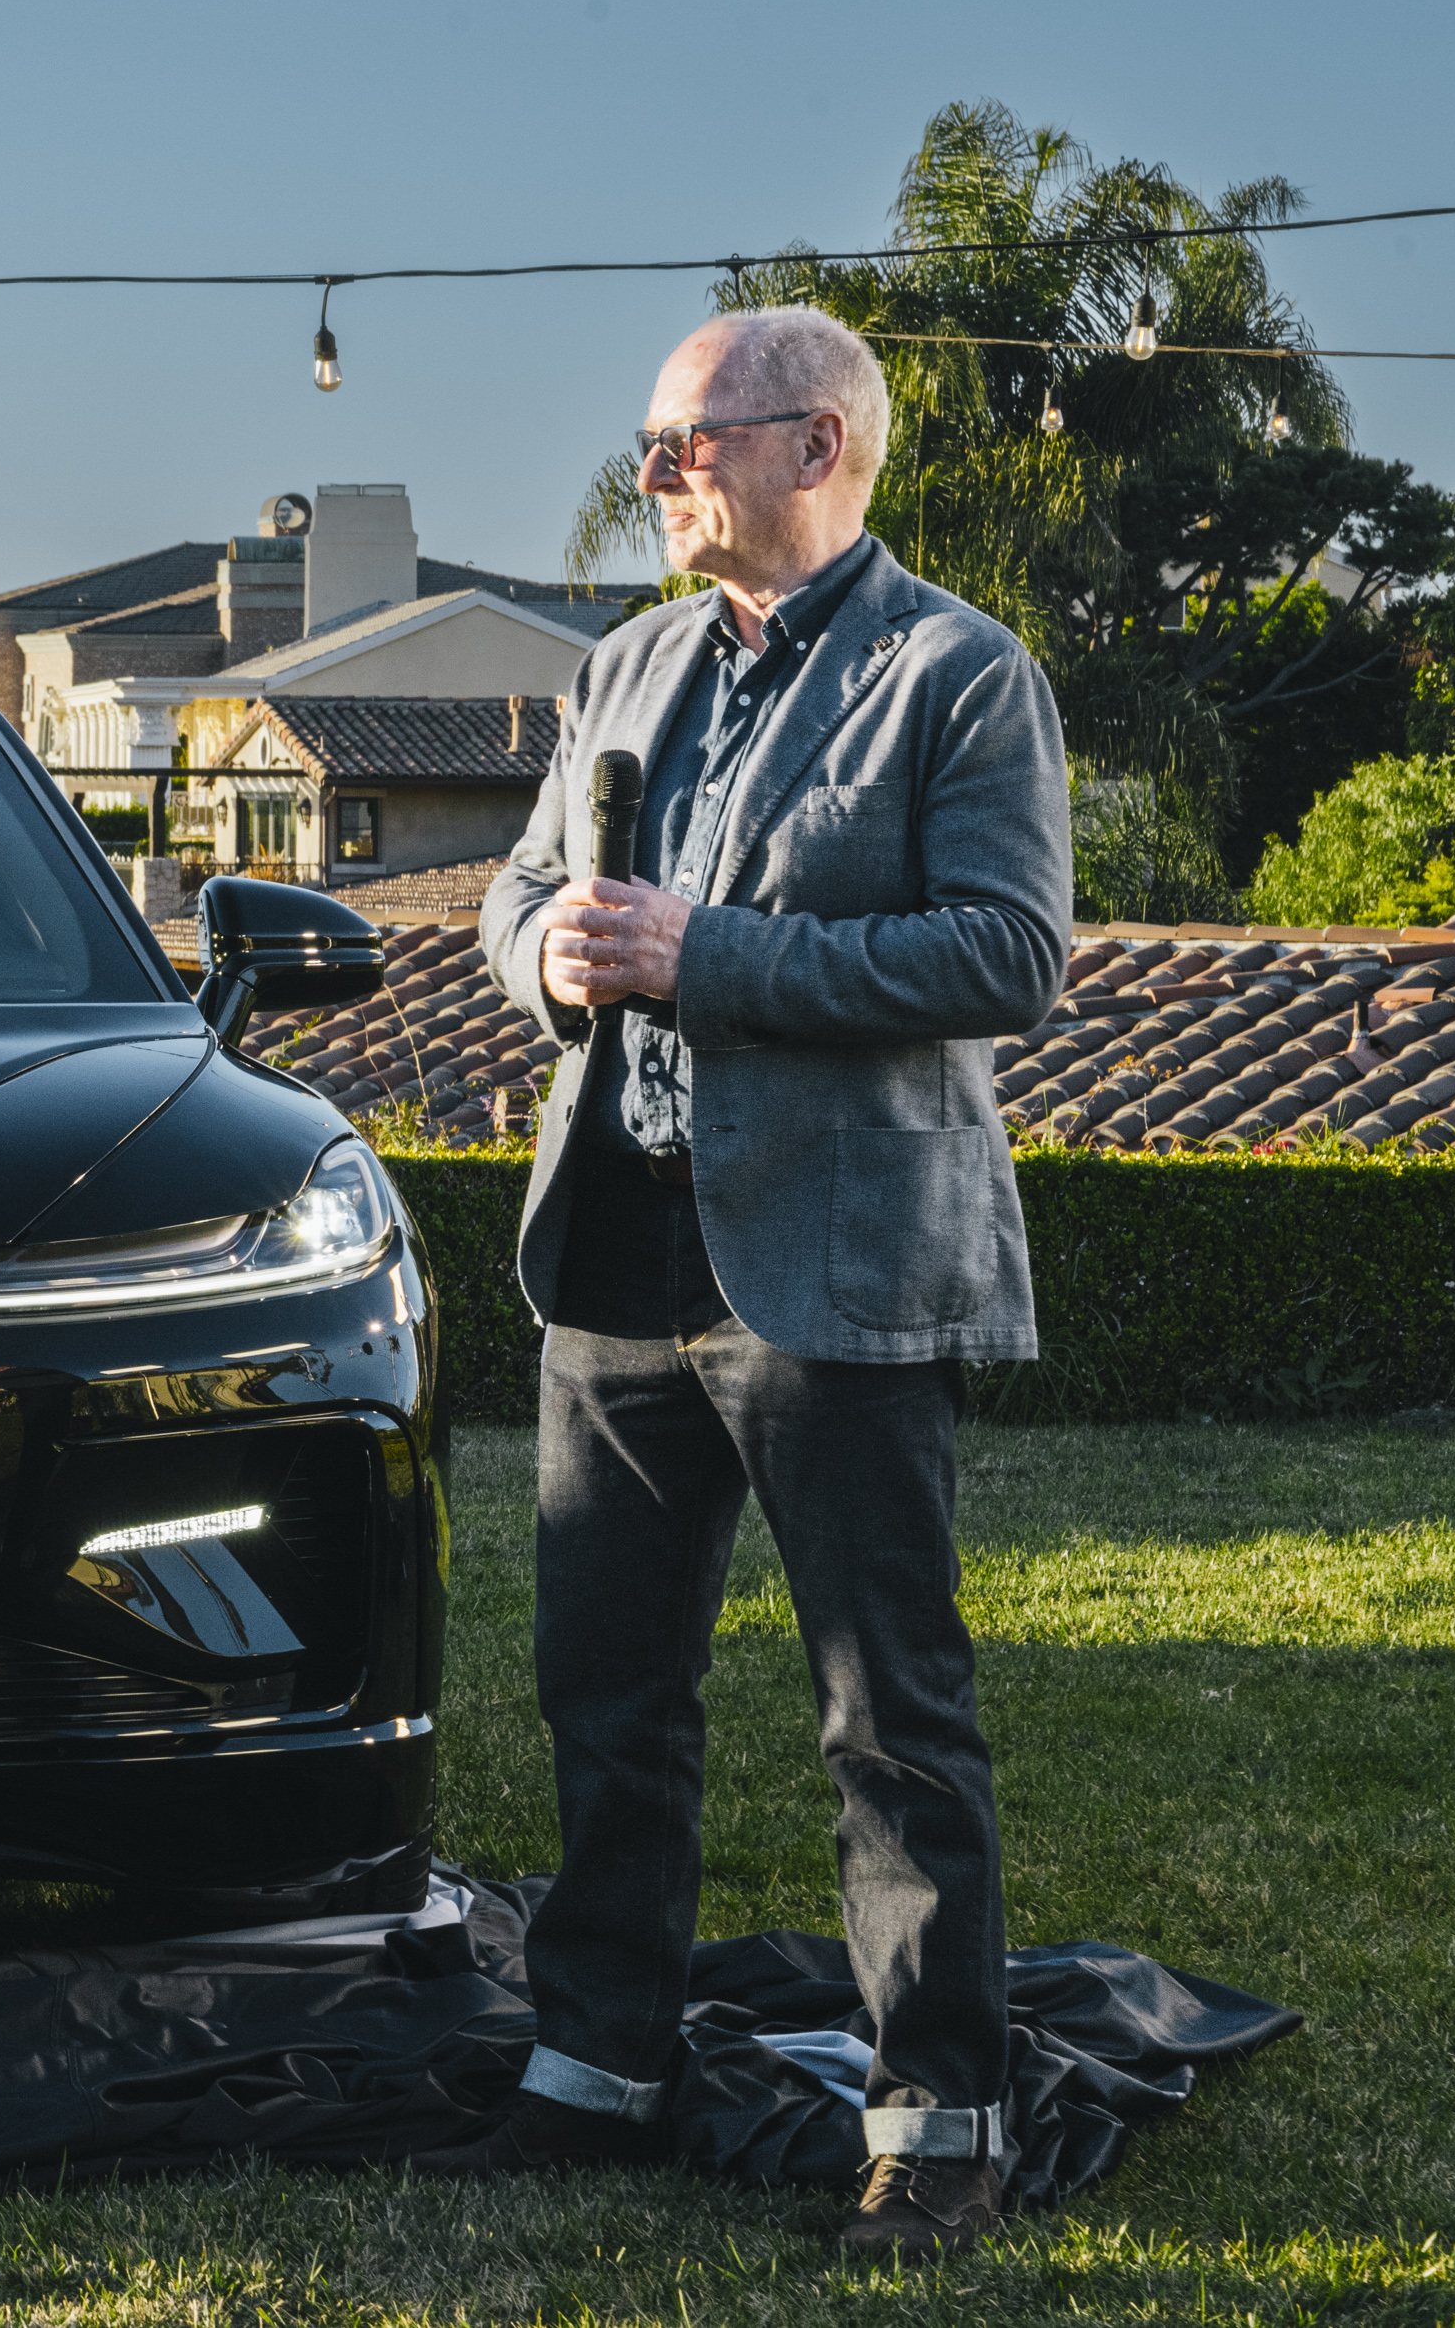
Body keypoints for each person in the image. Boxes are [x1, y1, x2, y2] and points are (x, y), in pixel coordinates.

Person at [439, 307, 1073, 2257]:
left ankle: (936, 2120)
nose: (650, 476)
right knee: (601, 1690)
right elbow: (517, 891)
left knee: (883, 1708)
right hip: (610, 1247)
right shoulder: (619, 663)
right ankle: (596, 2061)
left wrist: (701, 956)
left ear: (813, 443)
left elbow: (1000, 954)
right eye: (645, 445)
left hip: (840, 1269)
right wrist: (540, 952)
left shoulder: (953, 675)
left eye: (677, 441)